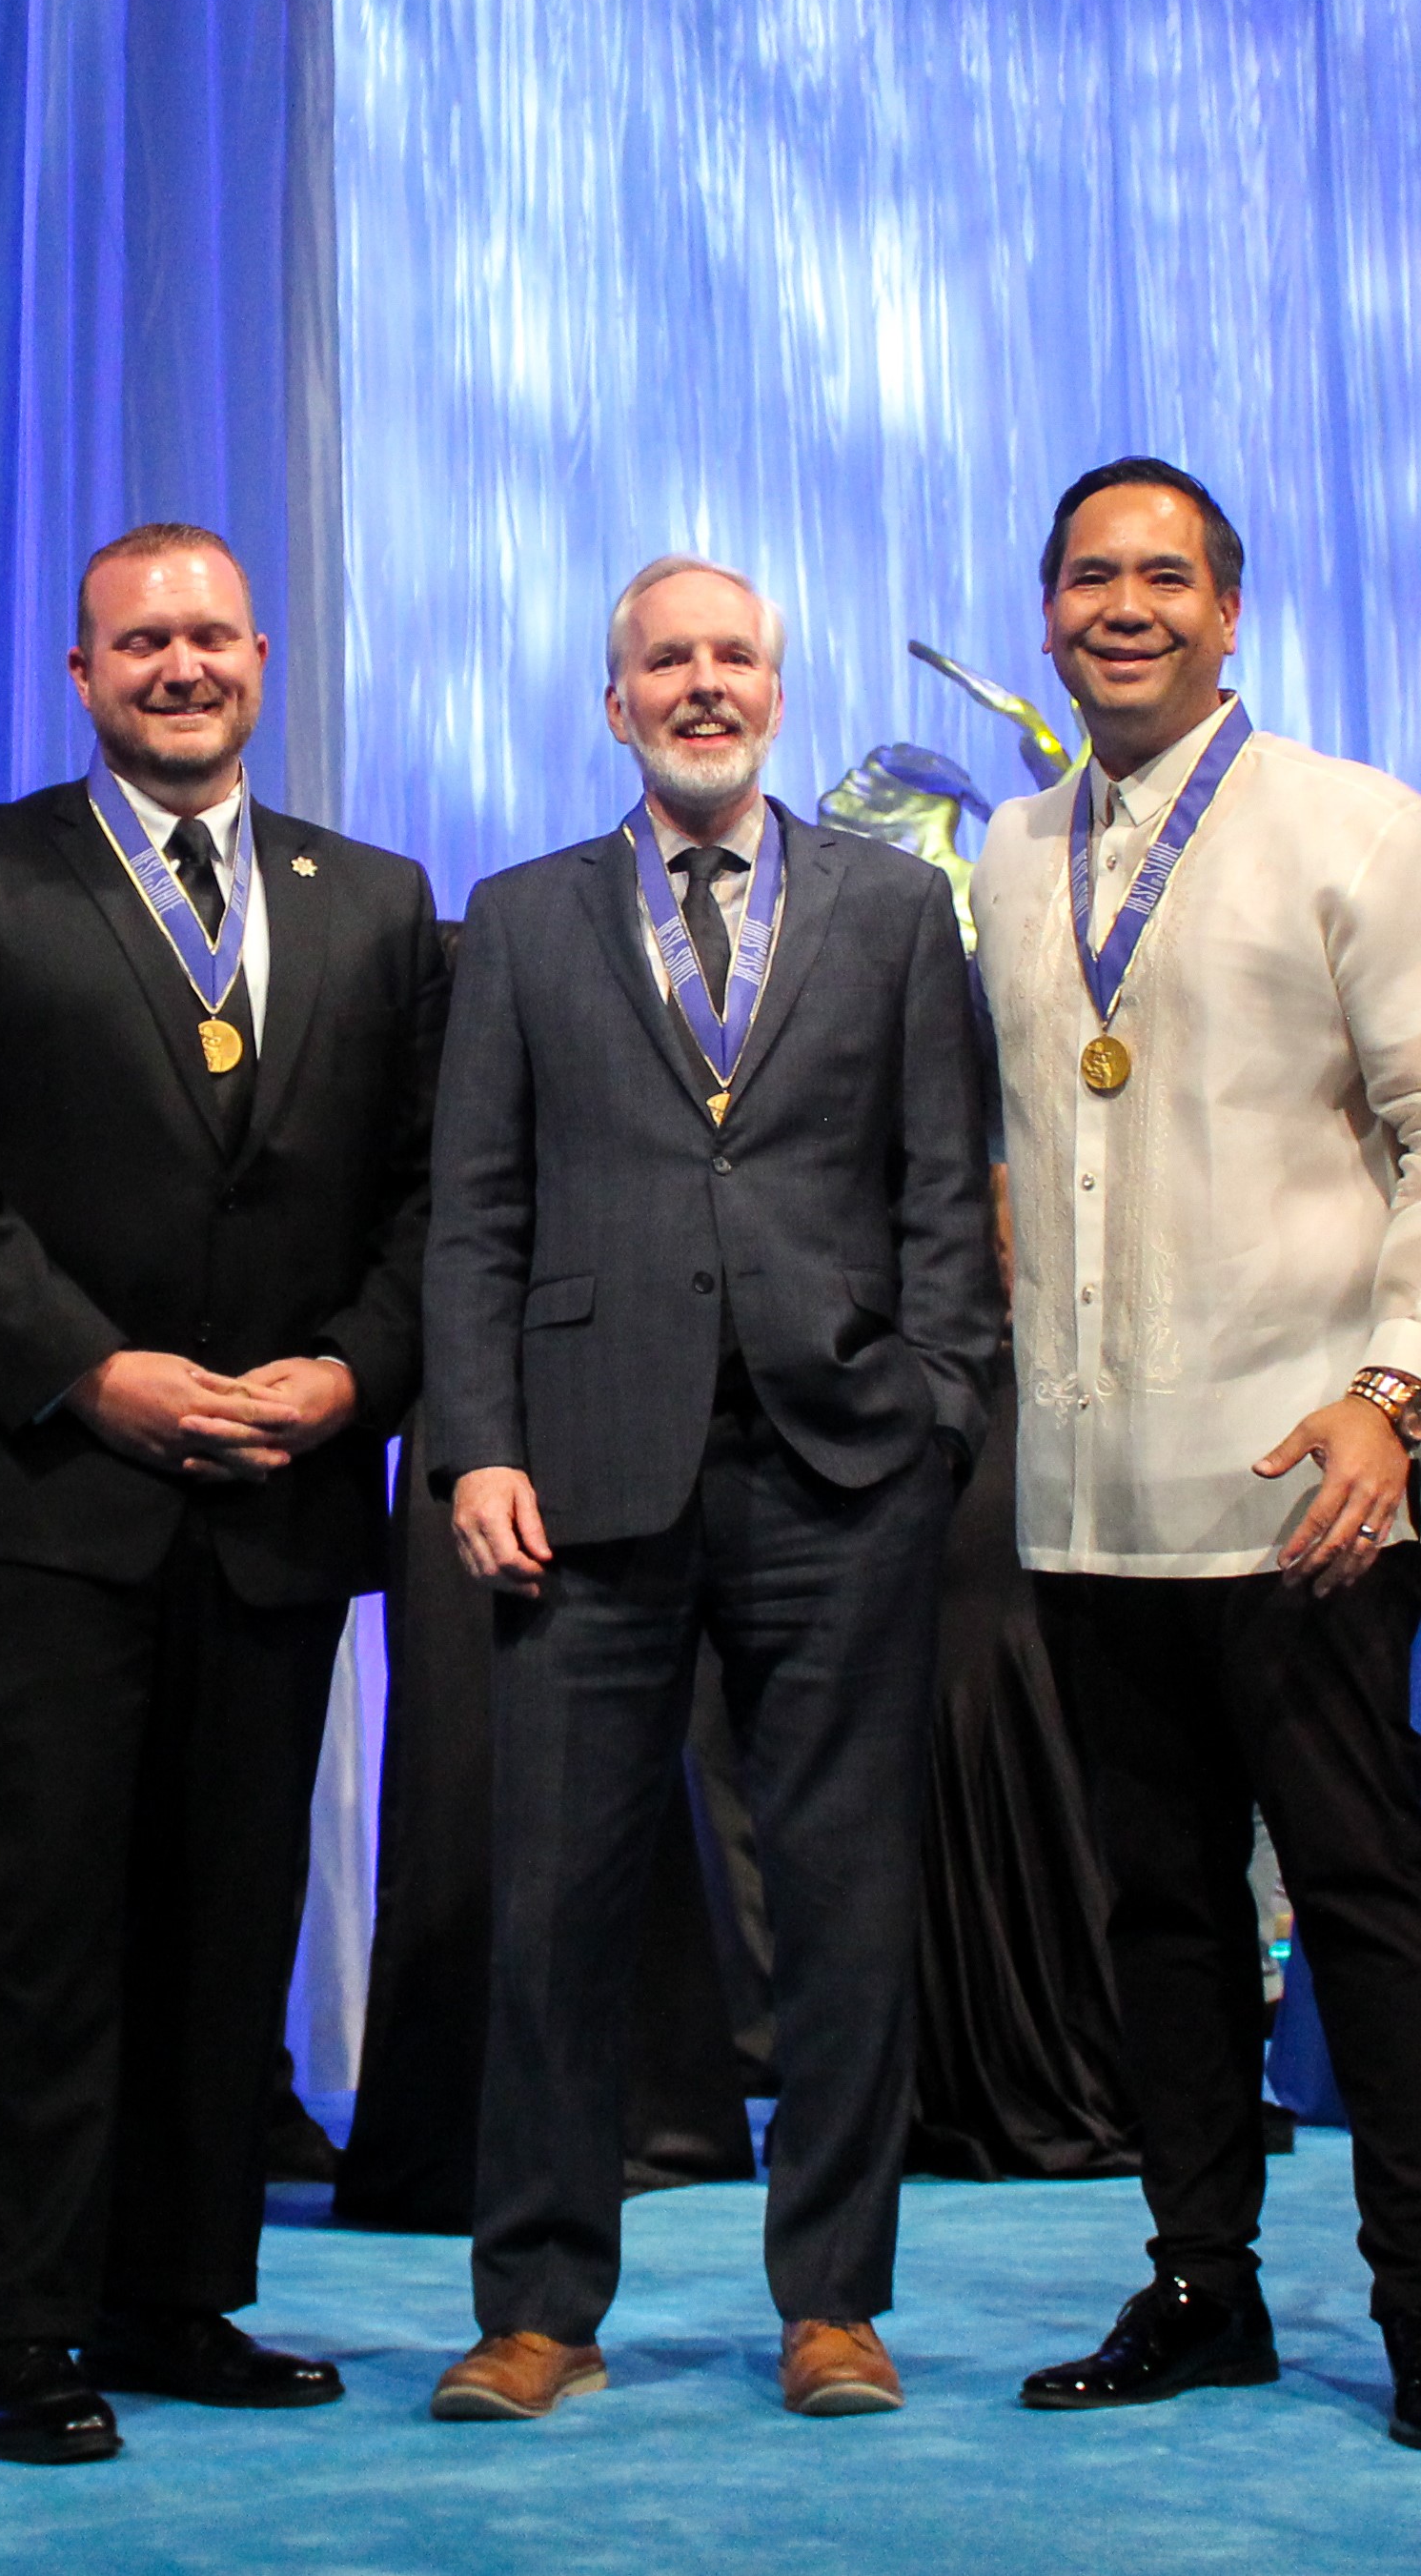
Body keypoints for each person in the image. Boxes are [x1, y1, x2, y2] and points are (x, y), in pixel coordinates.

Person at [0, 522, 444, 2464]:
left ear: (259, 656)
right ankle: (24, 2332)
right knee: (33, 1939)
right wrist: (91, 1369)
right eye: (137, 641)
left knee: (220, 1924)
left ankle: (176, 2295)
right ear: (79, 673)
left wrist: (351, 1372)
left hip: (272, 1504)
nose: (177, 666)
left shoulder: (370, 897)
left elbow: (432, 1195)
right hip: (34, 1497)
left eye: (206, 635)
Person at [965, 464, 1421, 2450]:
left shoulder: (1364, 832)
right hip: (1090, 1489)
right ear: (1045, 617)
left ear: (1231, 612)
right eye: (1091, 577)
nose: (1127, 607)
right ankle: (1202, 2281)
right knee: (1163, 1910)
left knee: (1365, 1894)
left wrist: (1394, 1394)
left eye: (1164, 577)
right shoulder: (1012, 859)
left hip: (1310, 1472)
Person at [419, 556, 998, 2427]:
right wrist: (479, 1440)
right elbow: (477, 1211)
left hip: (839, 1470)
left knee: (839, 1906)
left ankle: (832, 2298)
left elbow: (939, 1186)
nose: (700, 684)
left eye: (731, 656)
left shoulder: (898, 909)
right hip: (582, 1475)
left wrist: (936, 1411)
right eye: (664, 661)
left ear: (774, 684)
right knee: (557, 1911)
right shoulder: (512, 920)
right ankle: (536, 2304)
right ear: (614, 702)